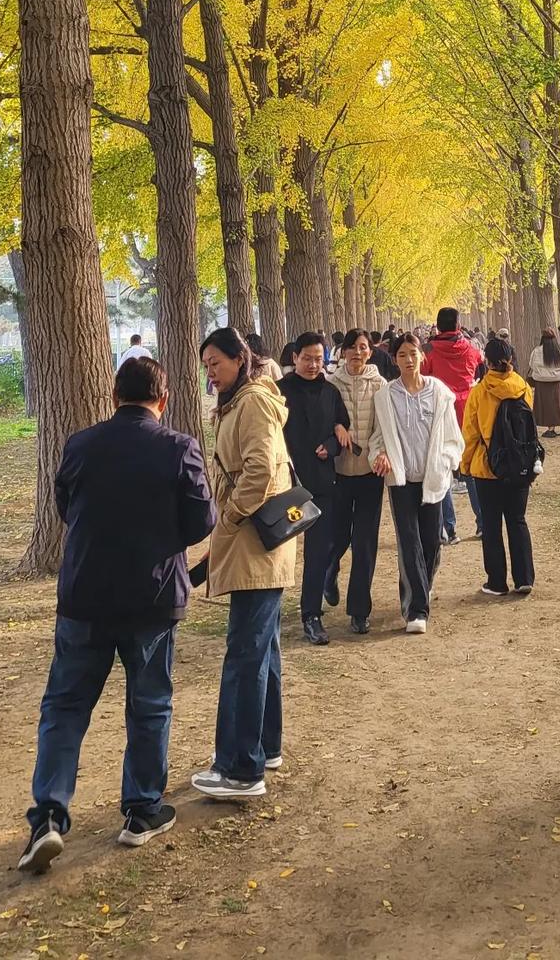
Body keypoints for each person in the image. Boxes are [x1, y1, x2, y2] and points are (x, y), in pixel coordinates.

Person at [18, 357, 215, 872]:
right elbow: (200, 522)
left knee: (64, 706)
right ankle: (142, 809)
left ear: (114, 395)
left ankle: (49, 815)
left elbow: (66, 506)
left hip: (84, 594)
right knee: (149, 704)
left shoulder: (80, 444)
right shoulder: (179, 448)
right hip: (151, 598)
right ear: (163, 398)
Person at [192, 328, 296, 800]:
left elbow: (261, 468)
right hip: (253, 540)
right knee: (261, 651)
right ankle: (263, 747)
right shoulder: (244, 400)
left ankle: (240, 767)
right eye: (206, 366)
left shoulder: (253, 402)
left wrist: (230, 518)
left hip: (255, 541)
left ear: (240, 358)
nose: (210, 373)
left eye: (216, 363)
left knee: (245, 654)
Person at [370, 332, 464, 633]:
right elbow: (377, 437)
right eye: (402, 355)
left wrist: (447, 461)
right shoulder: (385, 397)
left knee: (431, 544)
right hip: (401, 480)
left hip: (432, 479)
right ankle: (417, 611)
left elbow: (452, 437)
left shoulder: (438, 392)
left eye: (413, 353)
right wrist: (380, 454)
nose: (408, 360)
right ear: (394, 360)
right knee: (408, 543)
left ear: (421, 356)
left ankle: (418, 588)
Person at [278, 331, 350, 646]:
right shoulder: (278, 392)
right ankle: (269, 612)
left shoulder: (331, 392)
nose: (312, 364)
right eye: (307, 358)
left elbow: (343, 430)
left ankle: (312, 614)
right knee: (279, 550)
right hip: (286, 488)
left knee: (320, 550)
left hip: (320, 486)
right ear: (294, 358)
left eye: (318, 359)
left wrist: (332, 446)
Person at [461, 335, 537, 597]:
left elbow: (470, 433)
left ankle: (496, 582)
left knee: (492, 525)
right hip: (519, 465)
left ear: (486, 361)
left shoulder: (479, 392)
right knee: (517, 519)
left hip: (487, 466)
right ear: (511, 359)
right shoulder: (524, 388)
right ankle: (524, 577)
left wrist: (466, 464)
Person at [323, 329, 386, 634]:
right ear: (343, 351)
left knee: (364, 542)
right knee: (338, 537)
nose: (358, 353)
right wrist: (335, 425)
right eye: (353, 347)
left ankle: (359, 610)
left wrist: (378, 453)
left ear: (370, 352)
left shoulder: (380, 385)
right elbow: (322, 418)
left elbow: (384, 426)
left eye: (364, 348)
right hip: (337, 473)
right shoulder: (330, 383)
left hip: (370, 474)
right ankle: (329, 569)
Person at [425, 307, 485, 542]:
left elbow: (423, 378)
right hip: (468, 413)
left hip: (439, 412)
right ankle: (483, 523)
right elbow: (480, 371)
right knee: (470, 469)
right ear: (458, 325)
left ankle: (448, 528)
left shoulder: (428, 350)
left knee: (442, 472)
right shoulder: (471, 349)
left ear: (438, 326)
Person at [528, 328, 560, 436]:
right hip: (556, 382)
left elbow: (531, 364)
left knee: (544, 405)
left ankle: (547, 426)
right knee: (555, 405)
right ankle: (552, 428)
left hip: (541, 382)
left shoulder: (537, 351)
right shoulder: (559, 351)